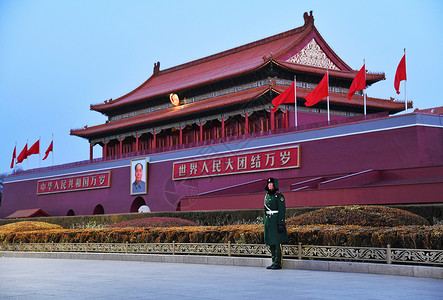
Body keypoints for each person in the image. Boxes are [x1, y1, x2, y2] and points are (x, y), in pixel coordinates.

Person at [264, 177, 288, 269]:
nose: (270, 185)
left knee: (277, 243)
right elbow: (265, 210)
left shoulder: (279, 196)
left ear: (275, 185)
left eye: (271, 184)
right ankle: (273, 261)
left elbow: (282, 210)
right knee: (271, 243)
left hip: (276, 221)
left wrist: (281, 223)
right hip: (269, 222)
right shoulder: (267, 196)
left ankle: (278, 263)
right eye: (269, 184)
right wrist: (265, 223)